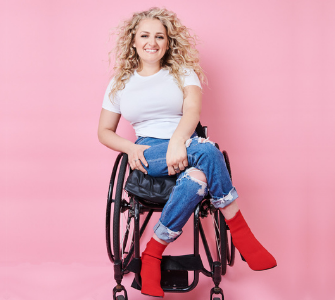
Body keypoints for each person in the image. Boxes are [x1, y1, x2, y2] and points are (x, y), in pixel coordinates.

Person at [97, 7, 277, 298]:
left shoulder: (183, 73)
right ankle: (243, 236)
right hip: (148, 152)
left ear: (168, 42)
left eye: (159, 36)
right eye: (144, 35)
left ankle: (153, 253)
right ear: (133, 41)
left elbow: (192, 110)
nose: (151, 42)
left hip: (187, 143)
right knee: (207, 151)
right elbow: (104, 131)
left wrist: (179, 141)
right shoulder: (119, 83)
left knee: (197, 177)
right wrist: (129, 147)